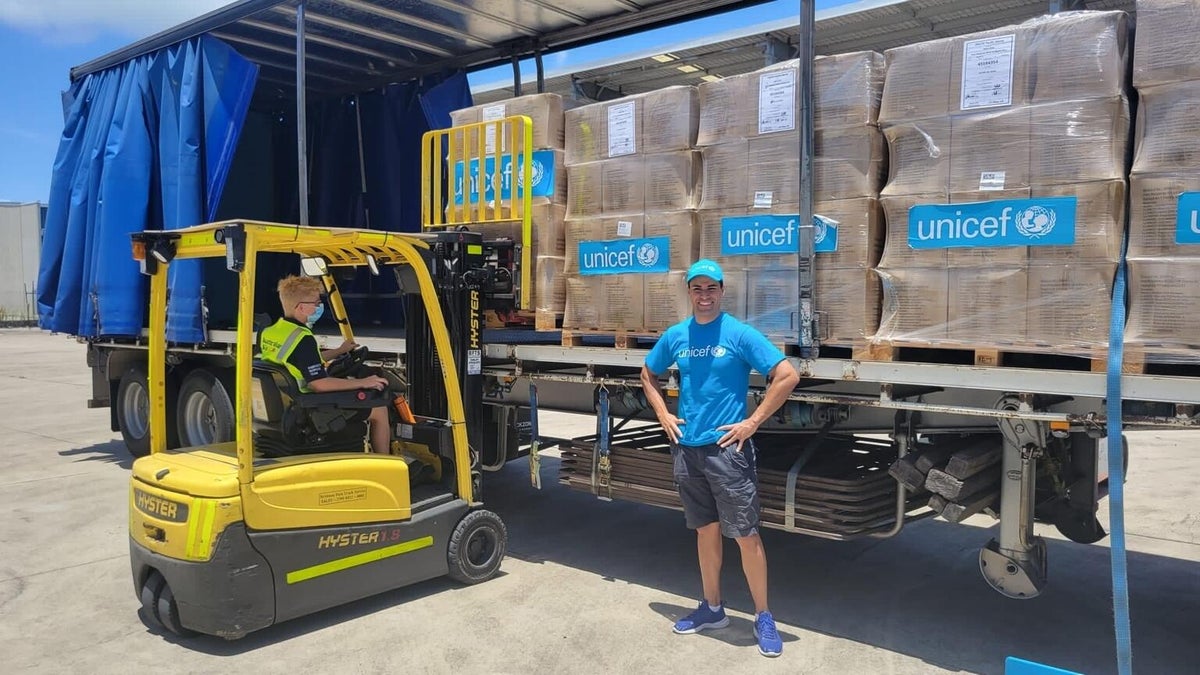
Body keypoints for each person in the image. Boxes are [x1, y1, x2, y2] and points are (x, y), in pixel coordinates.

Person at [640, 259, 800, 658]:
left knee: (746, 535)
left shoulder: (739, 334)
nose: (705, 295)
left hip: (728, 452)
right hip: (687, 449)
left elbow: (787, 375)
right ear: (689, 293)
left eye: (711, 288)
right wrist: (662, 413)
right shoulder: (678, 335)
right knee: (705, 531)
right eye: (697, 289)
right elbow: (648, 372)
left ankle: (763, 616)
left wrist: (752, 422)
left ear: (722, 291)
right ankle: (712, 608)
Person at [259, 274, 391, 455]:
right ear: (302, 308)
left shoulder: (273, 331)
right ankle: (385, 463)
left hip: (286, 402)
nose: (319, 306)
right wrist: (364, 382)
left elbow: (299, 359)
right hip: (309, 406)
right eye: (315, 303)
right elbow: (319, 384)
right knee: (378, 408)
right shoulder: (302, 338)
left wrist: (339, 351)